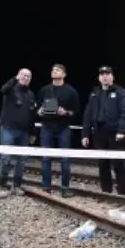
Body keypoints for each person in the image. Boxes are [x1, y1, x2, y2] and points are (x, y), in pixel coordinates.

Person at [81, 65, 125, 194]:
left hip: (115, 133)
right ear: (99, 77)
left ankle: (122, 192)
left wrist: (121, 131)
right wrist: (85, 134)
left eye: (107, 74)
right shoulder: (95, 93)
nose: (104, 77)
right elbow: (88, 114)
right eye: (102, 74)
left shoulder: (121, 92)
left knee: (118, 164)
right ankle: (106, 192)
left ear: (112, 77)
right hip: (99, 133)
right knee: (103, 164)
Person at [36, 63, 81, 196]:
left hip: (63, 128)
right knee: (45, 158)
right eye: (53, 69)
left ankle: (65, 188)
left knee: (65, 159)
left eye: (58, 70)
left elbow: (76, 112)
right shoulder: (44, 90)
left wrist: (65, 112)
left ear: (64, 74)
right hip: (47, 127)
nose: (54, 71)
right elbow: (36, 108)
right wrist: (39, 112)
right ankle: (46, 188)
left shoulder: (71, 91)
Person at [0, 67, 35, 193]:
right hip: (8, 128)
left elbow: (32, 115)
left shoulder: (31, 95)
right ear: (18, 76)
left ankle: (17, 185)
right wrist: (14, 80)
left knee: (22, 160)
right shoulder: (11, 89)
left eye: (28, 76)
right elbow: (3, 89)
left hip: (24, 132)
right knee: (6, 158)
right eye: (23, 75)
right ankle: (2, 184)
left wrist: (33, 132)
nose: (25, 77)